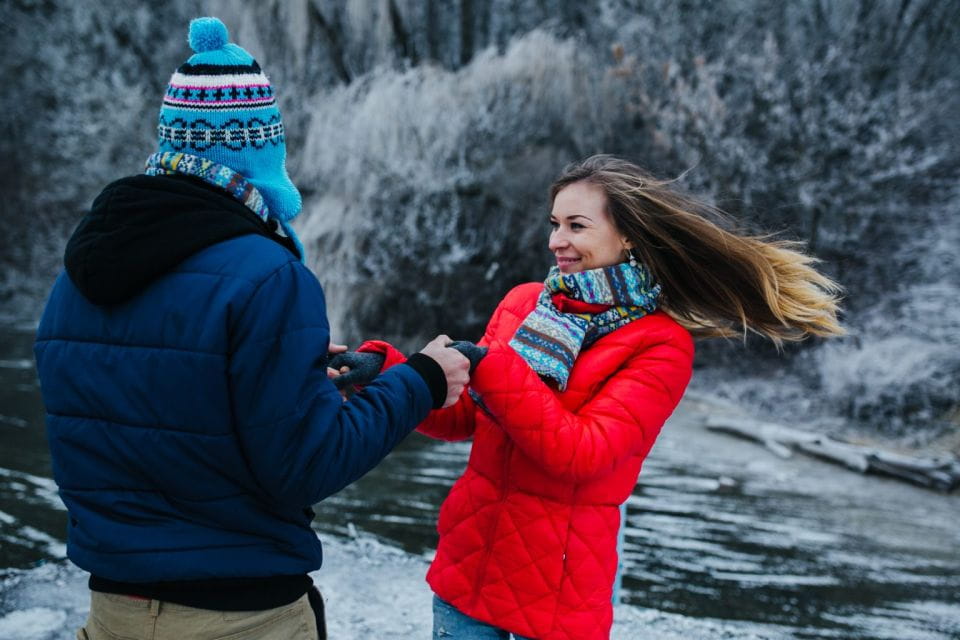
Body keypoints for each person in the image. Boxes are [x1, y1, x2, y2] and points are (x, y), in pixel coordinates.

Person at [32, 17, 470, 640]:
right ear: (262, 151)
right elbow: (308, 465)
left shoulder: (77, 275)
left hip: (112, 612)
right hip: (243, 618)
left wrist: (293, 375)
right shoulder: (267, 275)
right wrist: (421, 381)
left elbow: (147, 411)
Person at [342, 154, 844, 639]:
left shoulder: (660, 345)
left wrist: (491, 366)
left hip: (556, 599)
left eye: (576, 226)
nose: (556, 241)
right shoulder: (524, 303)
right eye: (554, 224)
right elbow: (465, 417)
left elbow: (583, 454)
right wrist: (389, 373)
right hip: (468, 567)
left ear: (627, 235)